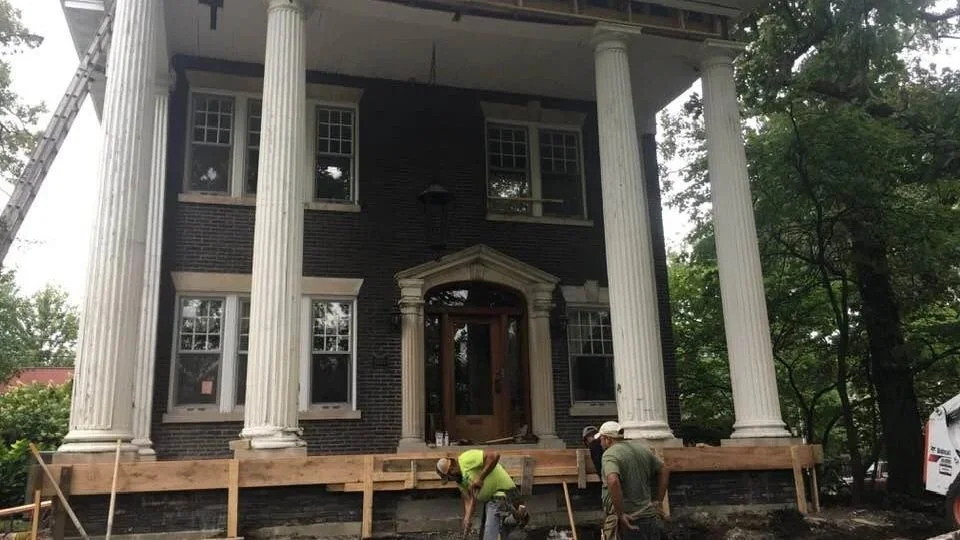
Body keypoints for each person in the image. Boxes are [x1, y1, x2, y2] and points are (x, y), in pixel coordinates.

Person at [597, 421, 669, 540]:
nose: (600, 443)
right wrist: (659, 501)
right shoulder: (642, 450)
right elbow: (664, 469)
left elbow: (613, 481)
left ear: (608, 439)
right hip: (649, 517)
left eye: (601, 439)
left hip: (630, 520)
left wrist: (620, 514)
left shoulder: (610, 454)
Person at [436, 450, 528, 540]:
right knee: (488, 533)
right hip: (491, 500)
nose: (450, 480)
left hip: (502, 493)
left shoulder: (466, 459)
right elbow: (468, 499)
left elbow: (494, 455)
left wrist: (480, 478)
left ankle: (518, 517)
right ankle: (516, 519)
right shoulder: (460, 481)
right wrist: (467, 518)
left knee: (490, 535)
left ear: (451, 469)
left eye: (449, 478)